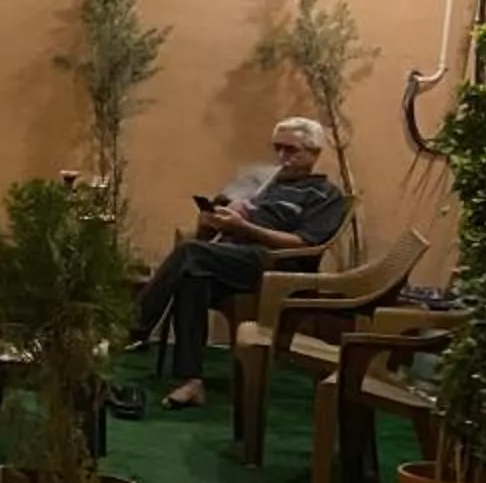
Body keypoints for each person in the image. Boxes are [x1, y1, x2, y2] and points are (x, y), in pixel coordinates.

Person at [133, 117, 348, 411]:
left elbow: (306, 244)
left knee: (190, 254)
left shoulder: (325, 195)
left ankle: (134, 328)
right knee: (192, 277)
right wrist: (211, 218)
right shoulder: (263, 184)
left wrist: (246, 228)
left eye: (291, 150)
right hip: (233, 257)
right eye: (278, 149)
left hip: (276, 266)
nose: (282, 157)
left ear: (314, 153)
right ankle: (191, 381)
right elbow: (208, 235)